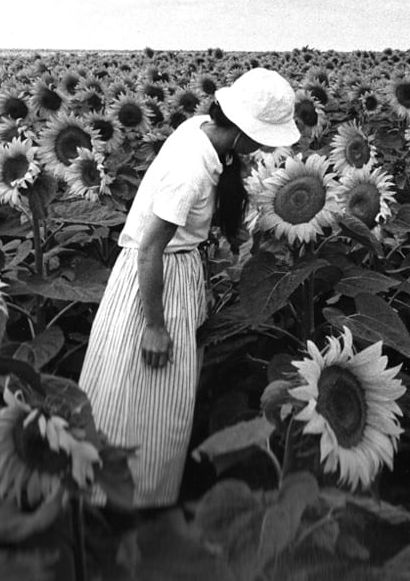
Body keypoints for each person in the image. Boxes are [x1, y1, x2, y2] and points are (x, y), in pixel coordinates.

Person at [78, 66, 300, 509]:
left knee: (139, 396)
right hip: (156, 280)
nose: (263, 148)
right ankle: (124, 507)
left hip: (174, 272)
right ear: (241, 131)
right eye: (262, 138)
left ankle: (123, 501)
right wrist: (155, 326)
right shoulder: (190, 172)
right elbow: (149, 251)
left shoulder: (201, 130)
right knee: (142, 397)